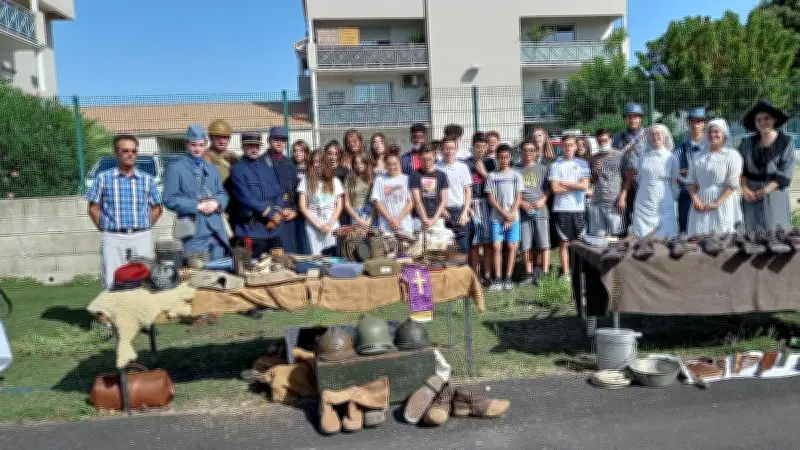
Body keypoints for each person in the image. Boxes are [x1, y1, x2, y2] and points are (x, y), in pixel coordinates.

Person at [87, 134, 163, 289]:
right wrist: (104, 228)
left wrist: (145, 225)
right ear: (116, 152)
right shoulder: (103, 178)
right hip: (113, 237)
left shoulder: (147, 180)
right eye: (126, 151)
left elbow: (157, 208)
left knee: (145, 278)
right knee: (111, 280)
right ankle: (108, 313)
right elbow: (93, 207)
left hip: (141, 236)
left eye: (134, 151)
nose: (130, 154)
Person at [163, 125, 230, 261]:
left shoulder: (211, 168)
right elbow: (169, 199)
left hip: (217, 229)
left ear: (205, 144)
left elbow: (223, 193)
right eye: (193, 145)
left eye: (201, 145)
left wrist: (216, 202)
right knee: (198, 274)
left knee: (220, 270)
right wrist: (196, 206)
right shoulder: (176, 168)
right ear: (186, 144)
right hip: (193, 230)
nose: (197, 149)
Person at [738, 101, 795, 233]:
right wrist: (745, 189)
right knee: (752, 236)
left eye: (766, 118)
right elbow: (740, 171)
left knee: (776, 235)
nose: (763, 122)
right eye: (759, 119)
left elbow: (785, 171)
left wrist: (765, 190)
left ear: (774, 119)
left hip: (775, 195)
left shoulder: (786, 142)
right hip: (751, 197)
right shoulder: (746, 144)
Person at [227, 131, 284, 258]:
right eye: (250, 146)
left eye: (257, 146)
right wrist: (269, 213)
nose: (254, 149)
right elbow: (245, 197)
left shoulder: (266, 168)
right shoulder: (237, 169)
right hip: (251, 230)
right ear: (243, 147)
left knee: (276, 269)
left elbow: (278, 193)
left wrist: (278, 211)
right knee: (251, 270)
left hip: (273, 230)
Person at [686, 119, 743, 236]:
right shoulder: (697, 156)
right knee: (698, 237)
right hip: (700, 203)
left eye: (716, 131)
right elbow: (691, 181)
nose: (713, 135)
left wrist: (717, 202)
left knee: (722, 236)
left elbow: (733, 182)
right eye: (710, 132)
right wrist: (695, 199)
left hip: (723, 202)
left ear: (724, 135)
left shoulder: (732, 155)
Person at [548, 136, 590, 283]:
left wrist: (564, 183)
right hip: (561, 209)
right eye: (565, 145)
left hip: (578, 209)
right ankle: (566, 273)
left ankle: (579, 270)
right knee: (564, 242)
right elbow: (554, 188)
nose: (568, 148)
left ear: (575, 147)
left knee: (579, 242)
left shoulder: (583, 163)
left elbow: (584, 186)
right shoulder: (556, 165)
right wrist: (575, 186)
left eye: (571, 145)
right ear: (561, 146)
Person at [485, 145, 525, 291]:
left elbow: (519, 197)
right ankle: (497, 279)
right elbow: (491, 199)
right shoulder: (492, 176)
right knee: (496, 246)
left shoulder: (516, 175)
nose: (503, 160)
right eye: (501, 157)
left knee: (511, 246)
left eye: (506, 157)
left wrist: (510, 216)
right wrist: (504, 214)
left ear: (510, 157)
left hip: (513, 218)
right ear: (497, 158)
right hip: (497, 217)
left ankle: (508, 277)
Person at [631, 124, 680, 239]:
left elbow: (674, 180)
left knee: (665, 224)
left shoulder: (671, 157)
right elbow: (640, 177)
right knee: (643, 228)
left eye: (658, 134)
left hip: (663, 193)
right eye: (652, 135)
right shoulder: (643, 157)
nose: (655, 137)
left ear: (664, 137)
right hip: (644, 194)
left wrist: (672, 196)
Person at [260, 126, 302, 254]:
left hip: (289, 217)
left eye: (283, 140)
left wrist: (295, 211)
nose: (279, 143)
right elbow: (260, 193)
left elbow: (296, 191)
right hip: (271, 217)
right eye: (276, 139)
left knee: (290, 256)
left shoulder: (289, 163)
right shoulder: (261, 162)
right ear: (269, 140)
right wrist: (276, 210)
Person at [463, 133, 497, 282]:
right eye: (478, 147)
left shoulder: (490, 163)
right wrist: (467, 205)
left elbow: (496, 184)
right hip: (472, 204)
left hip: (487, 204)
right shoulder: (465, 164)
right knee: (475, 243)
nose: (481, 150)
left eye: (483, 147)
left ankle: (488, 275)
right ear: (473, 146)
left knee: (488, 243)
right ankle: (475, 276)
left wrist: (484, 174)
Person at [516, 139, 551, 286]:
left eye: (531, 150)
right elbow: (513, 193)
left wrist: (543, 199)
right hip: (524, 213)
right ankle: (529, 274)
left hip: (541, 211)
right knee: (526, 245)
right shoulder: (516, 170)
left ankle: (545, 273)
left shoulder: (543, 168)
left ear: (536, 152)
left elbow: (549, 188)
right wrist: (521, 203)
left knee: (544, 244)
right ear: (521, 151)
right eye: (525, 150)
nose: (528, 153)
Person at [298, 150, 344, 255]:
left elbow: (339, 205)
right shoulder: (305, 181)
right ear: (311, 164)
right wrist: (318, 225)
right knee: (316, 256)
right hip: (312, 226)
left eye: (321, 161)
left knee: (332, 255)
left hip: (332, 225)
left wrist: (329, 224)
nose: (318, 165)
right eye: (315, 161)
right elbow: (302, 206)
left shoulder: (335, 181)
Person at [673, 107, 707, 233]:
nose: (695, 125)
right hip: (686, 197)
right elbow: (675, 175)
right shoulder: (679, 151)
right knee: (686, 231)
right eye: (692, 121)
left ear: (704, 123)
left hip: (707, 196)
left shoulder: (711, 148)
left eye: (698, 121)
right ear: (688, 123)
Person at [437, 136, 473, 253]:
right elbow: (433, 191)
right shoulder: (436, 167)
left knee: (463, 248)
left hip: (459, 212)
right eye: (446, 148)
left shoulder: (462, 167)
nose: (449, 151)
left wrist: (465, 211)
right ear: (441, 149)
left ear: (456, 149)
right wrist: (441, 209)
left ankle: (465, 271)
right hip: (442, 213)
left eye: (452, 148)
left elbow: (468, 191)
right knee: (444, 249)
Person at [588, 129, 626, 237]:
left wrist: (622, 197)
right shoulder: (594, 157)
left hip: (614, 202)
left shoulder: (620, 156)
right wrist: (595, 170)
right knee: (598, 235)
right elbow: (592, 181)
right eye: (600, 141)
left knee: (616, 236)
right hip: (597, 202)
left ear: (611, 139)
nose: (603, 143)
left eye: (605, 140)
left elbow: (626, 179)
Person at [616, 103, 647, 230]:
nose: (633, 119)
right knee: (622, 221)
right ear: (625, 119)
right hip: (623, 183)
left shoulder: (648, 136)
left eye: (636, 117)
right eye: (629, 117)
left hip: (643, 182)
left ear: (641, 118)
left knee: (644, 221)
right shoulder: (618, 138)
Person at [372, 152, 414, 234]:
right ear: (385, 165)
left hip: (405, 226)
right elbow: (377, 203)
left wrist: (398, 219)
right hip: (386, 227)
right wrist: (391, 220)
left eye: (395, 164)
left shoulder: (407, 179)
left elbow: (411, 202)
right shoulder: (379, 180)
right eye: (389, 164)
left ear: (399, 163)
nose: (392, 167)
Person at [410, 145, 449, 231]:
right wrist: (425, 219)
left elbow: (443, 201)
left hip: (437, 218)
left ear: (434, 156)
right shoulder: (415, 175)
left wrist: (434, 219)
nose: (427, 162)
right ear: (419, 158)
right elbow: (417, 201)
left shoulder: (442, 175)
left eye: (429, 160)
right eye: (424, 160)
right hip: (419, 218)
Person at [343, 152, 376, 228]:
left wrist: (369, 220)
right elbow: (347, 204)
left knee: (371, 239)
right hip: (355, 214)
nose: (358, 165)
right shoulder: (349, 178)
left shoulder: (373, 178)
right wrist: (358, 220)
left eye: (361, 162)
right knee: (357, 239)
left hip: (370, 213)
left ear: (366, 163)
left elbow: (375, 203)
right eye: (356, 163)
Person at [204, 119, 239, 184]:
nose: (221, 141)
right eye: (218, 137)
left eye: (225, 137)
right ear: (211, 138)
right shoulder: (204, 158)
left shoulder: (234, 158)